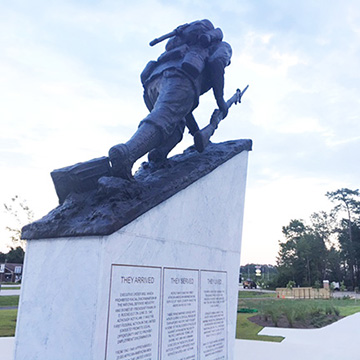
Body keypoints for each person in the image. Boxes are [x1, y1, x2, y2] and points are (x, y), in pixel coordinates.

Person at [109, 19, 232, 179]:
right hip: (180, 78)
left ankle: (158, 157)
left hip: (153, 82)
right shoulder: (221, 46)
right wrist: (221, 100)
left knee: (175, 126)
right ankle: (127, 153)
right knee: (165, 117)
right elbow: (217, 62)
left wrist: (196, 132)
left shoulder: (182, 45)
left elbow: (181, 111)